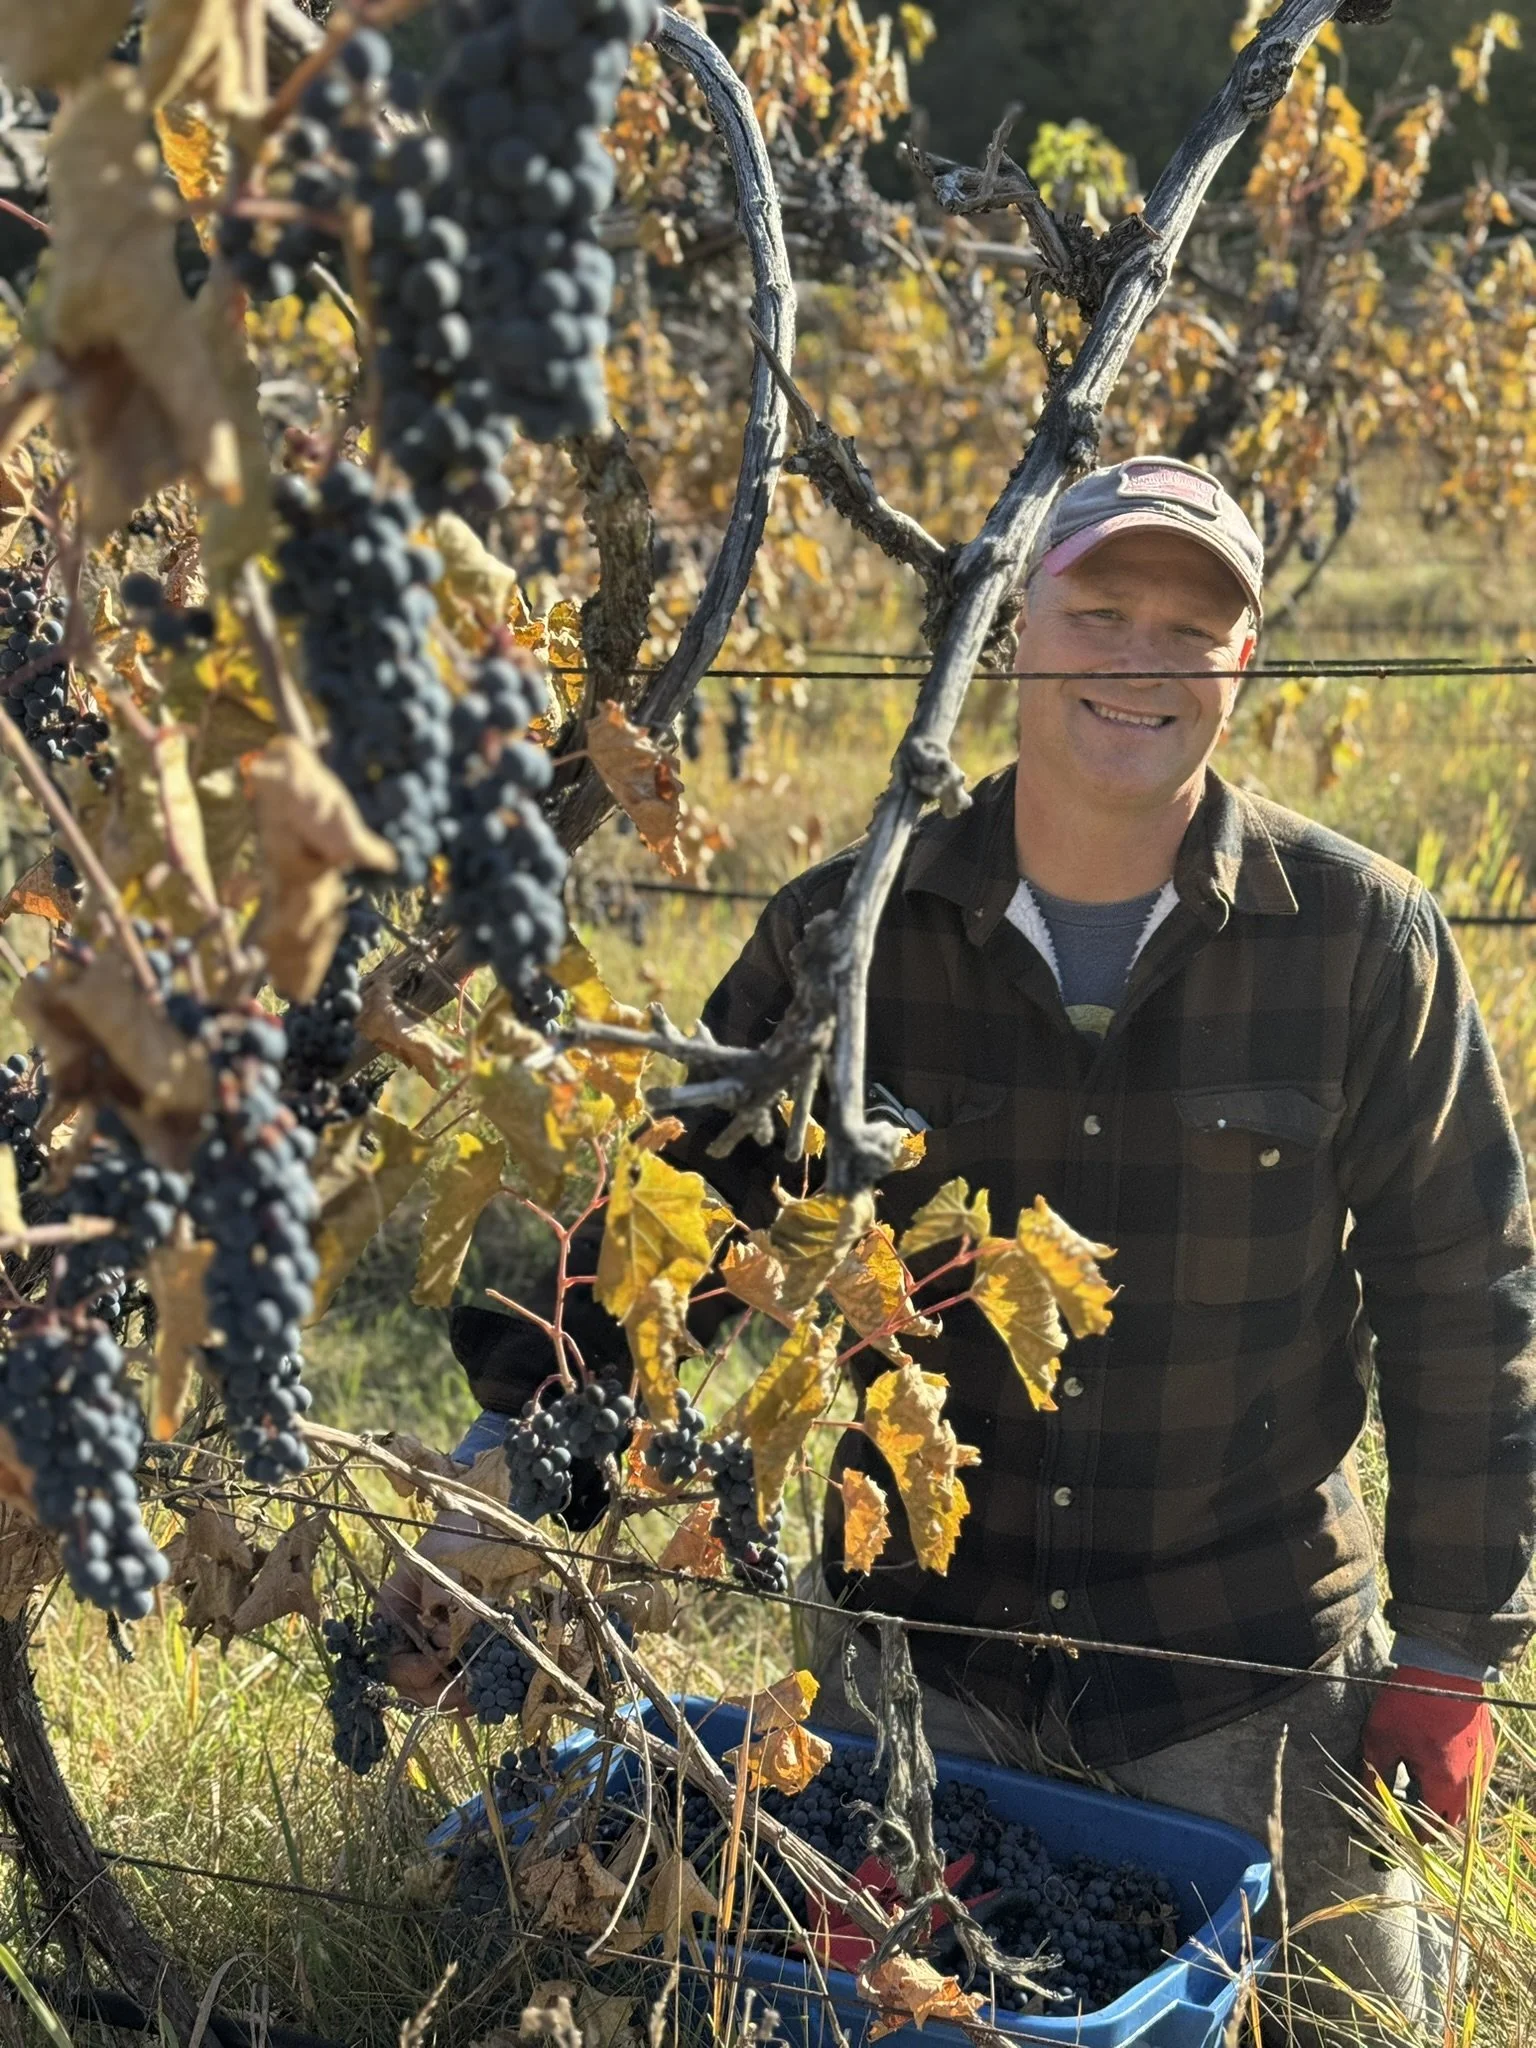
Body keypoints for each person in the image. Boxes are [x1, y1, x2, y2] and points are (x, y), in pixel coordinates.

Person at [397, 457, 1536, 2039]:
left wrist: (1450, 1645)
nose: (1141, 660)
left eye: (1190, 630)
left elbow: (1465, 1302)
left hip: (1240, 1668)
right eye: (1101, 610)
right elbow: (677, 1217)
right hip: (916, 1670)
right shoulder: (845, 930)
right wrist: (514, 1469)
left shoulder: (1365, 943)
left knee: (1372, 2028)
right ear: (1014, 625)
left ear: (1246, 665)